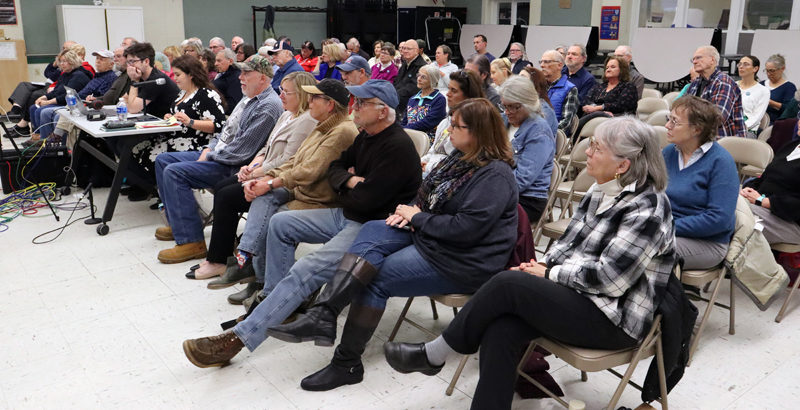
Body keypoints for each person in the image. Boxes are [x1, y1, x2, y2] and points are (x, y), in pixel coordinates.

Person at [384, 116, 676, 410]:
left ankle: (435, 354)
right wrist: (539, 271)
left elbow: (611, 280)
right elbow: (566, 247)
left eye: (597, 148)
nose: (587, 151)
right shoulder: (600, 189)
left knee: (508, 283)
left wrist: (550, 273)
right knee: (502, 328)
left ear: (623, 165)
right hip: (583, 298)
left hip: (614, 320)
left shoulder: (648, 208)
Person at [265, 98, 519, 393]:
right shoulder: (460, 158)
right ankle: (324, 314)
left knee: (375, 278)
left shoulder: (495, 175)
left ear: (479, 132)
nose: (449, 130)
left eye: (457, 125)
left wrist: (418, 217)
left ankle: (346, 362)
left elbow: (466, 229)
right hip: (434, 236)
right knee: (374, 227)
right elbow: (426, 195)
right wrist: (407, 213)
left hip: (462, 259)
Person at [181, 80, 422, 368]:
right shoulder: (366, 135)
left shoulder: (396, 147)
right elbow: (337, 169)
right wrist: (350, 180)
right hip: (348, 214)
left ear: (382, 112)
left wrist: (347, 182)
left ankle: (239, 339)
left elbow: (367, 199)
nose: (354, 107)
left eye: (362, 103)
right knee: (280, 223)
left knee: (306, 267)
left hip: (371, 225)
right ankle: (276, 300)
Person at [198, 75, 353, 285]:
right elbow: (293, 160)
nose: (310, 101)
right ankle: (255, 272)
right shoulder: (322, 124)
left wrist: (267, 180)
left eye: (315, 98)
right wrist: (256, 173)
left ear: (330, 105)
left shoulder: (338, 130)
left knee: (269, 214)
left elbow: (307, 171)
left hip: (314, 197)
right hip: (298, 188)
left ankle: (251, 267)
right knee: (251, 197)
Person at [154, 55, 282, 264]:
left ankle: (191, 241)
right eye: (240, 72)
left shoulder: (268, 106)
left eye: (246, 73)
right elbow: (224, 133)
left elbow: (242, 152)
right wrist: (208, 148)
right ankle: (180, 223)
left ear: (262, 78)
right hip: (219, 155)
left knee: (174, 172)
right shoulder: (248, 97)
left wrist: (209, 154)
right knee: (163, 160)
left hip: (233, 166)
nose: (240, 77)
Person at [663, 96, 739, 269]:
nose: (667, 126)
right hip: (665, 230)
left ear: (696, 129)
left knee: (641, 249)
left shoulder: (721, 162)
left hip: (706, 242)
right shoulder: (669, 153)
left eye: (675, 122)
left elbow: (718, 219)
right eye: (669, 119)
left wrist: (665, 226)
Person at [499, 76, 555, 223]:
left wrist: (491, 189)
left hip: (528, 199)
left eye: (513, 106)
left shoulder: (539, 131)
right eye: (505, 106)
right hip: (501, 188)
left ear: (528, 104)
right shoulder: (503, 121)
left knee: (477, 216)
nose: (507, 112)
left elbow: (522, 180)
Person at [34, 49, 117, 143]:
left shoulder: (111, 78)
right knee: (45, 112)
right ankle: (46, 143)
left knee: (53, 114)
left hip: (93, 107)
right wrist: (46, 97)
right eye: (97, 58)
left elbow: (105, 97)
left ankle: (60, 146)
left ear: (111, 64)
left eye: (102, 59)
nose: (98, 61)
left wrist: (94, 99)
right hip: (79, 103)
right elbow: (60, 91)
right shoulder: (97, 76)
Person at [4, 41, 80, 138]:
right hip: (49, 85)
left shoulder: (75, 71)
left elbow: (63, 88)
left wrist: (47, 100)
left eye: (67, 49)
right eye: (63, 48)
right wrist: (55, 64)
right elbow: (47, 73)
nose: (63, 51)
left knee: (35, 96)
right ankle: (15, 110)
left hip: (53, 88)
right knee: (23, 85)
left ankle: (25, 127)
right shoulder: (63, 67)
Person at [420, 70, 485, 175]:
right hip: (430, 171)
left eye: (454, 91)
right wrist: (421, 161)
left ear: (468, 95)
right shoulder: (445, 122)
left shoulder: (471, 126)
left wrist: (429, 167)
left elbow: (458, 162)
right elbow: (433, 151)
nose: (448, 94)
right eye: (448, 89)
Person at [740, 133, 800, 245]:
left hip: (789, 222)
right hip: (763, 206)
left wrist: (765, 202)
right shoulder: (792, 145)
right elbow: (765, 177)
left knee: (733, 214)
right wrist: (749, 190)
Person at [26, 49, 92, 146]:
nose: (61, 64)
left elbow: (67, 96)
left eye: (64, 61)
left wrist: (48, 102)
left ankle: (49, 143)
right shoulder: (65, 74)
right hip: (62, 101)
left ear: (72, 61)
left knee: (43, 111)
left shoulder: (79, 75)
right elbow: (57, 91)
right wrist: (44, 97)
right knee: (34, 107)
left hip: (70, 104)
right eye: (60, 61)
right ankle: (40, 138)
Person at [685, 46, 746, 138]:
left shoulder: (723, 81)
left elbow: (718, 117)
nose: (694, 62)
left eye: (698, 58)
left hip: (721, 139)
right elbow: (682, 109)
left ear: (712, 60)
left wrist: (688, 119)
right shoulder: (695, 84)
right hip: (697, 135)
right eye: (693, 59)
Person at [402, 65, 446, 139]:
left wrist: (405, 129)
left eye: (423, 77)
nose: (419, 79)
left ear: (433, 80)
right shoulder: (413, 99)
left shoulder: (439, 99)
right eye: (418, 75)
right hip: (409, 136)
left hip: (428, 140)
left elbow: (428, 123)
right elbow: (405, 121)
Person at [540, 49, 579, 132]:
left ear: (560, 65)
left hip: (552, 137)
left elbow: (566, 123)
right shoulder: (538, 86)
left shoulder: (570, 89)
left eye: (547, 62)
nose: (542, 65)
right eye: (541, 62)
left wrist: (544, 133)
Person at [736, 55, 770, 137]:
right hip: (728, 127)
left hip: (747, 131)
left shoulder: (763, 91)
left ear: (755, 68)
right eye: (739, 64)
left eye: (746, 64)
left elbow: (756, 117)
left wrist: (740, 128)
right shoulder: (732, 85)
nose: (741, 67)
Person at [393, 40, 427, 117]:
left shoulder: (422, 66)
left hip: (411, 103)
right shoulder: (405, 64)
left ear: (417, 51)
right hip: (398, 98)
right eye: (404, 48)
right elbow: (397, 81)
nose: (405, 51)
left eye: (408, 49)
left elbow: (414, 87)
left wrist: (395, 95)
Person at [522, 66, 558, 135]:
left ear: (534, 84)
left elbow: (536, 137)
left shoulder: (544, 110)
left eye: (522, 78)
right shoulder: (523, 106)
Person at [761, 54, 797, 123]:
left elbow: (790, 110)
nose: (768, 74)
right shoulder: (761, 84)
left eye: (772, 71)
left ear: (782, 69)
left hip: (775, 123)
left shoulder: (789, 87)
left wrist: (771, 102)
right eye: (767, 70)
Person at [213, 48, 243, 114]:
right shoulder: (221, 74)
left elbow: (233, 104)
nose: (215, 64)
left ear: (230, 61)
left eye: (219, 61)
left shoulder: (236, 78)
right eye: (215, 61)